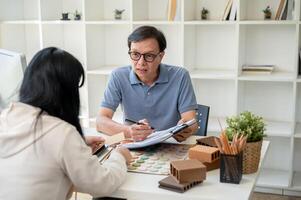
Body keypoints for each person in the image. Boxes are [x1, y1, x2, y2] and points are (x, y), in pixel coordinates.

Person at [0, 47, 132, 200]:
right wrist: (119, 156)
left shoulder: (5, 117)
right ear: (66, 92)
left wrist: (78, 144)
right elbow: (102, 184)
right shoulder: (62, 134)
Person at [97, 26, 198, 142]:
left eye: (149, 56)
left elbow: (191, 121)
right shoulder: (118, 76)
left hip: (170, 143)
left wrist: (187, 128)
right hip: (135, 143)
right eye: (135, 54)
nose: (141, 63)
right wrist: (129, 131)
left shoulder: (180, 76)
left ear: (161, 56)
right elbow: (101, 121)